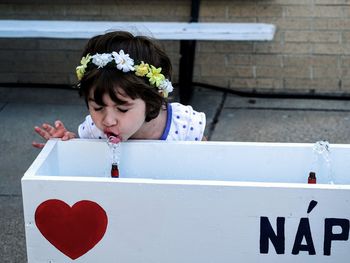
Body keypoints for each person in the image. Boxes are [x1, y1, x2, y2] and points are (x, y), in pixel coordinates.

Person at [32, 30, 206, 148]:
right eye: (98, 108)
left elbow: (210, 161)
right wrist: (67, 145)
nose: (108, 121)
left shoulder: (184, 125)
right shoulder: (93, 130)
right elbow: (84, 165)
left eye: (122, 109)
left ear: (152, 102)